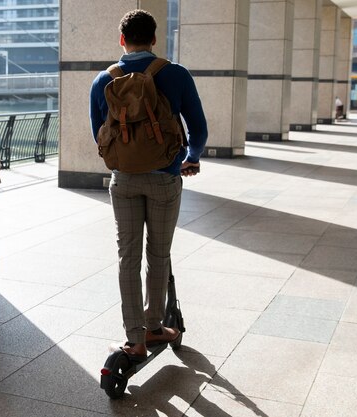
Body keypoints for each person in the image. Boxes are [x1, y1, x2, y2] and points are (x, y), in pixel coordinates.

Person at [89, 10, 208, 360]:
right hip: (165, 178)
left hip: (123, 181)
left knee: (128, 257)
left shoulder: (103, 80)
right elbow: (198, 128)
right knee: (159, 254)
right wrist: (191, 157)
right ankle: (155, 327)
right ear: (155, 40)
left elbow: (99, 134)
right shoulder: (175, 74)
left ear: (121, 40)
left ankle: (135, 341)